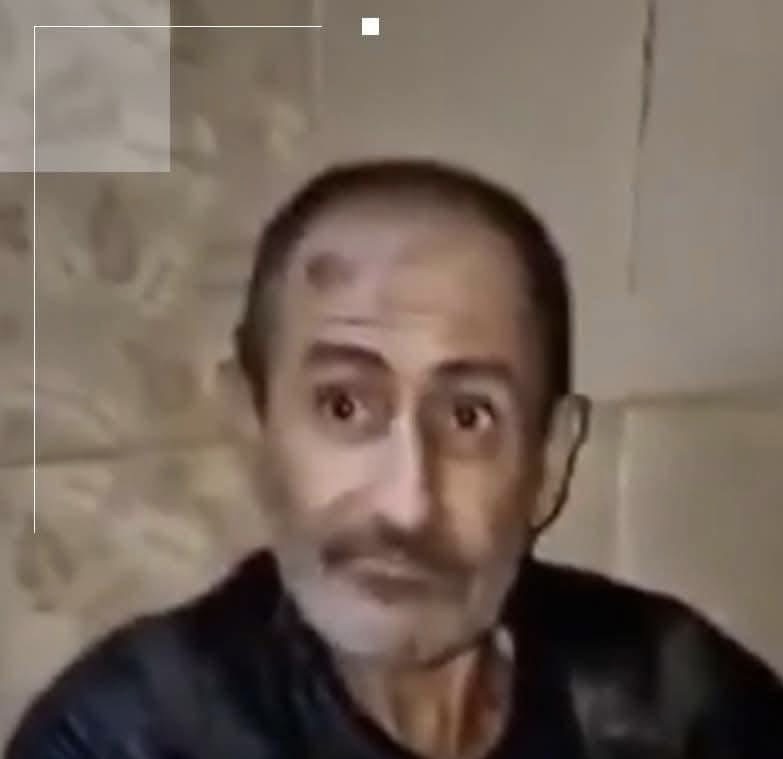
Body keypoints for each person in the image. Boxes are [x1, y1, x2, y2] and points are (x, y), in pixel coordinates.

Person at [7, 159, 783, 759]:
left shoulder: (674, 702)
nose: (406, 501)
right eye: (344, 406)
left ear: (547, 461)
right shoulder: (123, 739)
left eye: (469, 415)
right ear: (253, 427)